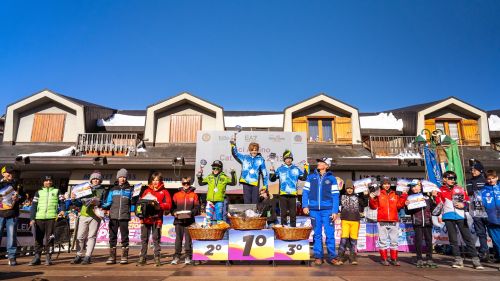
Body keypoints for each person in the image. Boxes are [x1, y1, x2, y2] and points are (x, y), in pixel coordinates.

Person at [434, 171, 484, 269]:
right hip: (448, 216)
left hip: (461, 216)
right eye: (450, 178)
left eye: (454, 178)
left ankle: (475, 260)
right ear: (444, 179)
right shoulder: (440, 190)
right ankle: (458, 259)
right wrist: (435, 196)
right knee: (453, 239)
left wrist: (463, 205)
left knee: (467, 238)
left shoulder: (460, 189)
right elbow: (438, 204)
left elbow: (468, 202)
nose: (452, 180)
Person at [302, 157, 340, 265]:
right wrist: (305, 205)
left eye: (321, 162)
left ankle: (332, 257)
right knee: (317, 234)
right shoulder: (311, 177)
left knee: (330, 233)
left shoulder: (332, 179)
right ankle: (318, 256)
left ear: (326, 166)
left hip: (328, 210)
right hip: (314, 210)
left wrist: (335, 211)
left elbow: (335, 195)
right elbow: (305, 193)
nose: (318, 163)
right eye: (318, 162)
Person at [68, 171, 106, 265]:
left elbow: (105, 203)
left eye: (97, 179)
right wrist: (73, 199)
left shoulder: (103, 190)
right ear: (91, 180)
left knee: (91, 237)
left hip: (95, 216)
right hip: (84, 214)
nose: (95, 180)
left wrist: (98, 203)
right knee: (80, 236)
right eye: (94, 178)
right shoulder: (84, 188)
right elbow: (79, 203)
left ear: (100, 180)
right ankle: (79, 255)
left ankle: (88, 256)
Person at [369, 176, 408, 266]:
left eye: (388, 183)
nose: (386, 185)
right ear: (382, 185)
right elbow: (373, 206)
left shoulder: (395, 194)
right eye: (384, 184)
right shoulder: (378, 194)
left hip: (394, 221)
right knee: (382, 241)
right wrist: (371, 198)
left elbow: (399, 205)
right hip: (382, 221)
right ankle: (384, 259)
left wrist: (404, 195)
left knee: (394, 241)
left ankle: (394, 259)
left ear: (390, 184)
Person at [28, 175, 66, 266]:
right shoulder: (38, 192)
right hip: (39, 218)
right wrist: (32, 218)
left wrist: (62, 210)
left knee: (50, 239)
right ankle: (37, 257)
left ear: (52, 182)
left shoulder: (57, 191)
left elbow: (62, 203)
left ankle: (48, 258)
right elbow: (33, 206)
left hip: (52, 218)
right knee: (38, 239)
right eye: (46, 181)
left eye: (50, 181)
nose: (48, 182)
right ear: (43, 182)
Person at [136, 172, 172, 267]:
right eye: (154, 180)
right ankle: (142, 258)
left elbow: (169, 205)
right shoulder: (146, 190)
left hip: (157, 219)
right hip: (146, 218)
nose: (155, 182)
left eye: (157, 180)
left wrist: (159, 205)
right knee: (144, 239)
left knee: (156, 239)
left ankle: (157, 258)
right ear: (151, 181)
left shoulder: (164, 191)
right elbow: (140, 204)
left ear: (160, 181)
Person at [102, 168, 135, 265]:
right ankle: (112, 256)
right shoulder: (113, 189)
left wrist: (132, 210)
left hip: (124, 216)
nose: (122, 179)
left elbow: (132, 203)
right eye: (120, 177)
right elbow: (108, 202)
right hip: (113, 216)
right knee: (112, 236)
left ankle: (124, 256)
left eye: (124, 177)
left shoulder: (130, 189)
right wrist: (101, 205)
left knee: (125, 236)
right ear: (118, 178)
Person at [269, 150, 308, 227]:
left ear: (292, 159)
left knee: (293, 214)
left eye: (290, 158)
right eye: (286, 158)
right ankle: (284, 229)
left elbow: (303, 178)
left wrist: (306, 168)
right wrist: (272, 171)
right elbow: (272, 179)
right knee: (283, 213)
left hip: (293, 195)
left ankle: (293, 228)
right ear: (284, 159)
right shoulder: (280, 169)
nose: (288, 160)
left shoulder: (296, 169)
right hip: (282, 194)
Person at [404, 180, 437, 268]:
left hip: (428, 222)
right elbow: (407, 212)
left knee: (429, 241)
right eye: (412, 187)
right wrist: (406, 205)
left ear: (420, 186)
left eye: (416, 186)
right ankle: (419, 259)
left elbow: (434, 210)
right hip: (417, 222)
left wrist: (434, 199)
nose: (414, 188)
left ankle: (429, 259)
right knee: (418, 241)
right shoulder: (410, 197)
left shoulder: (427, 197)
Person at [337, 180, 368, 265]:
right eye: (348, 188)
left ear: (353, 189)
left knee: (354, 240)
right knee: (343, 239)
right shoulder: (342, 196)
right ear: (345, 189)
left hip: (355, 220)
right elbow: (336, 201)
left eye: (351, 188)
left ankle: (352, 257)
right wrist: (337, 190)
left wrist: (365, 195)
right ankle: (340, 257)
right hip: (345, 220)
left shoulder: (357, 197)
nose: (349, 190)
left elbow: (365, 204)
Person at [197, 160, 236, 225]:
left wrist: (233, 173)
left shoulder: (224, 177)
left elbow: (233, 183)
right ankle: (208, 233)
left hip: (219, 201)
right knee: (208, 219)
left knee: (219, 219)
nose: (215, 169)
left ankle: (219, 234)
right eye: (213, 168)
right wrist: (199, 177)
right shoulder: (209, 177)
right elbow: (201, 183)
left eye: (217, 168)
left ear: (221, 168)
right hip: (210, 201)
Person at [466, 161, 490, 262]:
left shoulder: (486, 180)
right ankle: (484, 252)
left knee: (493, 233)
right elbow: (468, 195)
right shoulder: (468, 181)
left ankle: (497, 252)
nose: (472, 171)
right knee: (481, 233)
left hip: (488, 211)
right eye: (471, 170)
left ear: (480, 170)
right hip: (476, 211)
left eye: (475, 170)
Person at [171, 177, 200, 265]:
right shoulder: (176, 195)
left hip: (189, 221)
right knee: (178, 240)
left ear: (190, 183)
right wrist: (174, 212)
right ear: (181, 184)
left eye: (187, 183)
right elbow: (172, 207)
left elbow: (197, 207)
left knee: (188, 240)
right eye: (184, 183)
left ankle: (188, 256)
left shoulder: (194, 195)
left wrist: (192, 213)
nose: (186, 185)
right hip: (178, 221)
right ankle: (177, 256)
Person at [0, 165, 25, 266]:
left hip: (12, 214)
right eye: (8, 172)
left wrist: (18, 197)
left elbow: (23, 197)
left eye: (12, 172)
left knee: (12, 236)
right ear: (3, 173)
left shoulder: (17, 184)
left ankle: (12, 257)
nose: (10, 174)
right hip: (0, 213)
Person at [481, 170, 500, 269]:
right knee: (497, 242)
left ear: (497, 178)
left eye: (493, 178)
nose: (491, 180)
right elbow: (479, 206)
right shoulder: (482, 191)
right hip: (491, 220)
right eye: (489, 178)